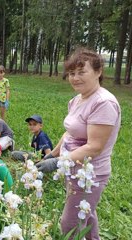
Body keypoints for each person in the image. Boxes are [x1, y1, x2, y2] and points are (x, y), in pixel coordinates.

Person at [36, 48, 121, 239]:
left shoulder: (103, 103)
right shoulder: (77, 100)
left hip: (91, 172)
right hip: (74, 167)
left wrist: (57, 163)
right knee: (86, 215)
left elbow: (94, 147)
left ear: (98, 72)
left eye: (82, 72)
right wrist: (53, 154)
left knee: (70, 224)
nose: (75, 78)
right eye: (72, 73)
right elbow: (69, 133)